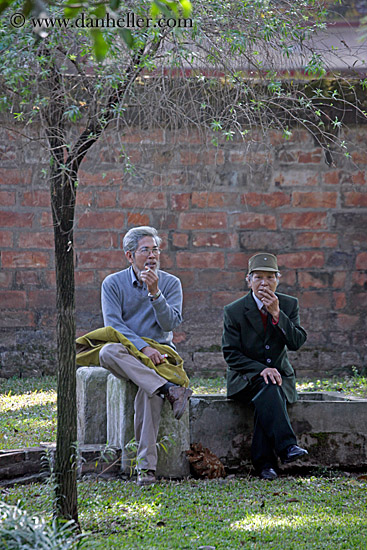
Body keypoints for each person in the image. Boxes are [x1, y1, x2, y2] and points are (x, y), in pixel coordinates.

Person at [99, 226, 192, 486]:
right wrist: (142, 348)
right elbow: (113, 326)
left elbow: (169, 324)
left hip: (161, 352)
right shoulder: (113, 284)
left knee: (149, 394)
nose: (152, 256)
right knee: (106, 351)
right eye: (145, 250)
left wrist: (155, 294)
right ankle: (168, 388)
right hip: (127, 352)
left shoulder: (171, 283)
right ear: (130, 256)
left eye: (155, 250)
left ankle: (146, 470)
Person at [222, 252, 308, 480]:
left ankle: (265, 465)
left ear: (278, 280)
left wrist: (278, 314)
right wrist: (260, 369)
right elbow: (230, 354)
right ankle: (287, 446)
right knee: (267, 386)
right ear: (248, 280)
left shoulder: (289, 304)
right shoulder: (234, 311)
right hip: (245, 379)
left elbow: (297, 342)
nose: (264, 283)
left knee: (269, 390)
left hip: (280, 379)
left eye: (270, 277)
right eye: (258, 277)